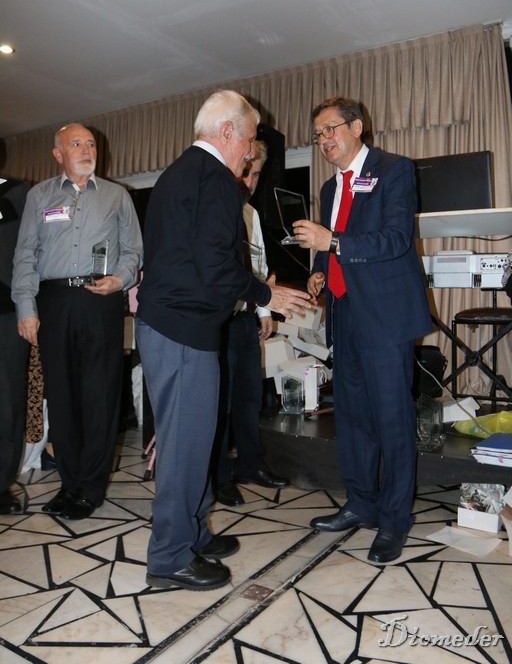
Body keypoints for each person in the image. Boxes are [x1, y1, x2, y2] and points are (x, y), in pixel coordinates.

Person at [136, 90, 313, 591]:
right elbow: (215, 265)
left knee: (195, 441)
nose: (252, 152)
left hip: (176, 328)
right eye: (251, 140)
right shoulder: (213, 178)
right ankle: (170, 557)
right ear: (228, 132)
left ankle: (192, 534)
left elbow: (196, 259)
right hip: (182, 331)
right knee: (184, 449)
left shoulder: (179, 173)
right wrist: (267, 294)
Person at [292, 96, 432, 563]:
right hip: (344, 312)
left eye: (330, 129)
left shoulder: (394, 170)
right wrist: (318, 270)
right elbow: (330, 248)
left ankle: (394, 521)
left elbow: (395, 239)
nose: (323, 140)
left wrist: (330, 241)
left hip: (386, 316)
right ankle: (360, 503)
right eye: (318, 135)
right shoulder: (329, 188)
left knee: (392, 419)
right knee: (351, 418)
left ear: (357, 127)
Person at [12, 123, 143, 520]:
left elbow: (134, 251)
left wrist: (120, 279)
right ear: (58, 154)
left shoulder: (118, 195)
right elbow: (25, 254)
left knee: (99, 396)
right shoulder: (39, 196)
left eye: (91, 144)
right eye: (76, 144)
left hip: (99, 301)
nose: (87, 149)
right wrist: (26, 308)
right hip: (53, 302)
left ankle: (90, 487)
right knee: (62, 397)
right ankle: (69, 484)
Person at [213, 140, 289, 508]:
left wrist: (264, 313)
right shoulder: (216, 208)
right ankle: (219, 476)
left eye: (257, 174)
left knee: (249, 398)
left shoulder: (251, 214)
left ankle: (250, 463)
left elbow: (257, 268)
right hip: (219, 322)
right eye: (247, 172)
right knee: (222, 404)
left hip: (245, 320)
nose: (251, 180)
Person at [0, 176, 30, 514]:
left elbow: (28, 250)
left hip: (6, 315)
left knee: (6, 403)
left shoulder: (15, 193)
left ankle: (1, 484)